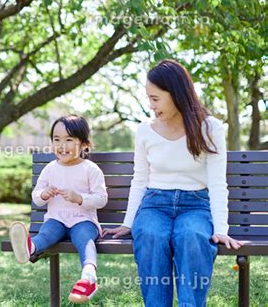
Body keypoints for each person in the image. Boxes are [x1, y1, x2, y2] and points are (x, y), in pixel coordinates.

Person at [103, 59, 242, 307]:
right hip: (155, 204)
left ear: (175, 93)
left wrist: (221, 228)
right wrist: (128, 222)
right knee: (151, 235)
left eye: (155, 98)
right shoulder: (145, 131)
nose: (151, 105)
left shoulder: (210, 128)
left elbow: (218, 183)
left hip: (196, 205)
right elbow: (140, 179)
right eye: (149, 98)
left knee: (192, 236)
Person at [9, 114, 108, 304]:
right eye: (57, 139)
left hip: (83, 220)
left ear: (84, 143)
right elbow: (37, 196)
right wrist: (43, 195)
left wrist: (80, 198)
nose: (62, 145)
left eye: (69, 140)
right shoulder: (50, 169)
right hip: (57, 218)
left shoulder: (90, 169)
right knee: (47, 234)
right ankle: (29, 248)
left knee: (84, 239)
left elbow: (101, 199)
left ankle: (89, 276)